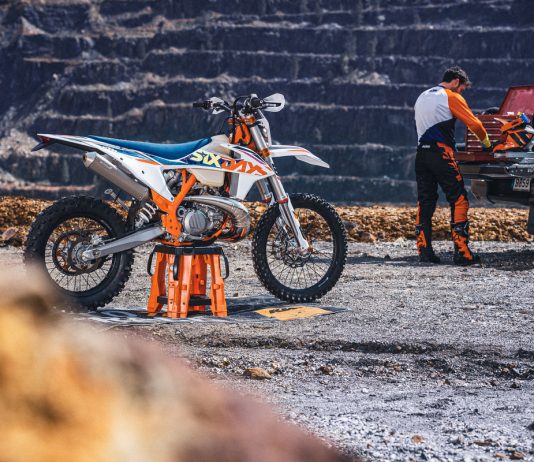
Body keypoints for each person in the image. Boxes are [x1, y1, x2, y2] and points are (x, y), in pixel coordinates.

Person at [414, 66, 491, 266]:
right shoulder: (451, 96)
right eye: (462, 89)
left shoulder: (422, 96)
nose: (461, 93)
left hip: (421, 154)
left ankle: (424, 252)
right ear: (456, 81)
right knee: (459, 199)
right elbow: (475, 125)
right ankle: (462, 253)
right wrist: (488, 145)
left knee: (425, 201)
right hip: (441, 154)